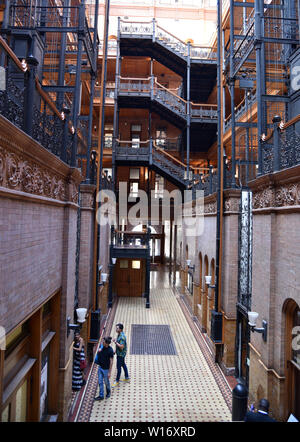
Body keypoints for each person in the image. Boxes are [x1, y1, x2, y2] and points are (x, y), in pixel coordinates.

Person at [94, 336, 114, 401]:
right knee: (100, 382)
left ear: (107, 343)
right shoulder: (101, 347)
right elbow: (98, 354)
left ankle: (108, 392)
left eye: (104, 342)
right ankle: (101, 395)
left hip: (106, 369)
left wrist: (109, 372)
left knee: (106, 382)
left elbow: (111, 362)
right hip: (100, 367)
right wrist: (99, 351)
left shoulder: (110, 350)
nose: (102, 343)